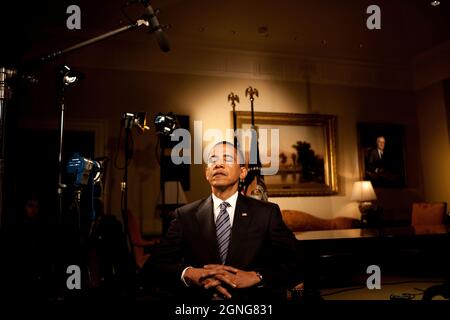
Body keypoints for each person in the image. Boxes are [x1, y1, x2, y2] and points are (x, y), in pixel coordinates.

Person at [145, 141, 302, 301]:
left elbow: (299, 261)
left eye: (227, 158)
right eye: (213, 159)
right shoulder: (185, 215)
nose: (218, 164)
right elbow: (153, 267)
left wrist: (258, 276)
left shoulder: (266, 213)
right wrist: (190, 273)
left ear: (242, 172)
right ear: (207, 173)